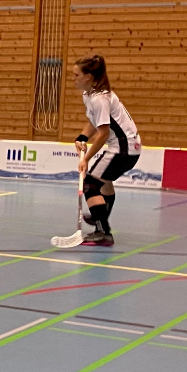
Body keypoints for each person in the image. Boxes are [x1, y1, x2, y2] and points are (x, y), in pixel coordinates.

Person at [73, 55, 141, 247]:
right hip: (127, 147)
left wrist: (86, 158)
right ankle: (100, 216)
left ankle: (103, 231)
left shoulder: (100, 99)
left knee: (90, 185)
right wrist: (83, 137)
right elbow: (94, 122)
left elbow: (103, 133)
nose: (74, 78)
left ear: (88, 76)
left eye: (76, 75)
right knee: (105, 183)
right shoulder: (89, 95)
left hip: (123, 148)